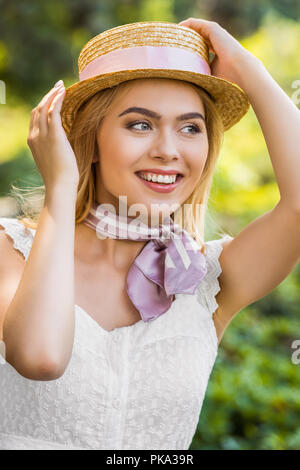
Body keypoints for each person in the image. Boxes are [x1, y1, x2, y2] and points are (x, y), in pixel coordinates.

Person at [0, 19, 299, 450]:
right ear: (91, 136)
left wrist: (247, 67)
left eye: (190, 127)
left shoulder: (207, 279)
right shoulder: (11, 252)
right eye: (140, 124)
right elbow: (40, 357)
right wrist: (60, 192)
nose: (168, 150)